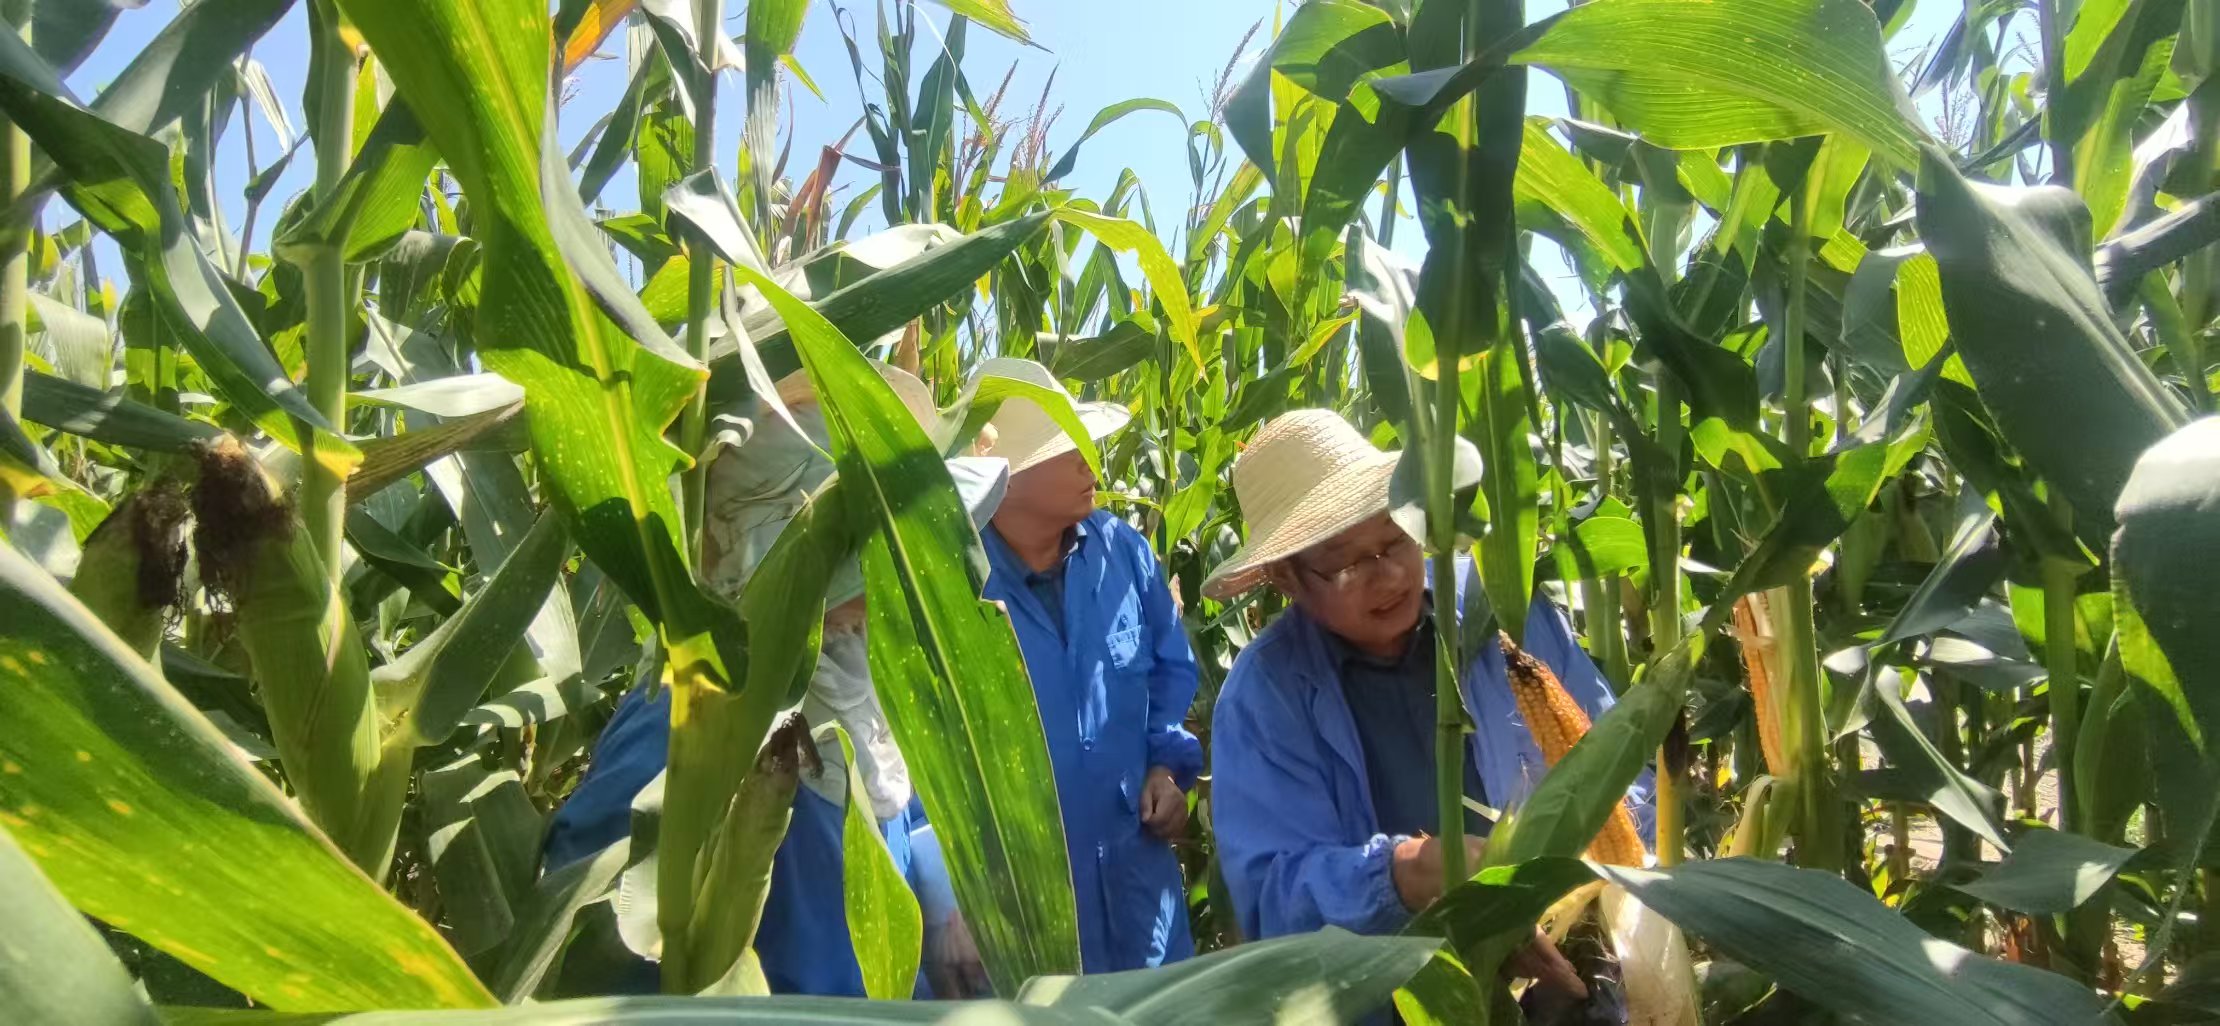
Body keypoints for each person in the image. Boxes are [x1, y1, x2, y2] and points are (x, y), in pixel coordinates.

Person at [541, 364, 998, 997]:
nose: (902, 579)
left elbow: (895, 827)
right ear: (778, 550)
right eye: (873, 554)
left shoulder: (855, 681)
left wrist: (944, 909)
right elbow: (586, 938)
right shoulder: (691, 716)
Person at [1203, 409, 1654, 998]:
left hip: (1582, 969)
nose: (1388, 576)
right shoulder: (1263, 699)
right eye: (1347, 564)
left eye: (1395, 538)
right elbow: (1275, 899)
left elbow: (1621, 768)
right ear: (1286, 578)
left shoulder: (1500, 609)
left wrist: (1584, 898)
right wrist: (1403, 875)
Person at [970, 357, 1201, 976]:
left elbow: (1170, 674)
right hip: (1021, 921)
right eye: (1066, 449)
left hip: (1142, 905)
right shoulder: (955, 578)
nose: (1088, 463)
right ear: (1006, 477)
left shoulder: (1124, 552)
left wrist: (1165, 768)